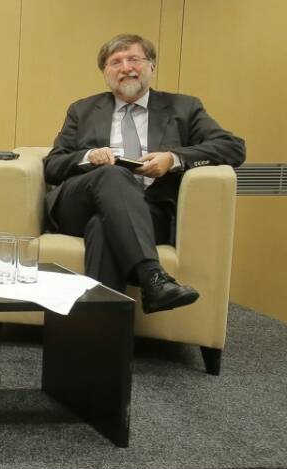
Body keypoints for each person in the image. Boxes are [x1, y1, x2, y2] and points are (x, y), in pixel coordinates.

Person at [44, 33, 244, 311]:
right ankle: (153, 276)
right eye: (115, 62)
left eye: (134, 59)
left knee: (103, 228)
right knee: (112, 174)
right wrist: (90, 156)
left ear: (151, 66)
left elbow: (233, 148)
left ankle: (99, 341)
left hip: (148, 211)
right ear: (105, 73)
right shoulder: (82, 109)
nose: (126, 68)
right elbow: (53, 165)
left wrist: (173, 159)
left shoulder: (184, 108)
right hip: (80, 203)